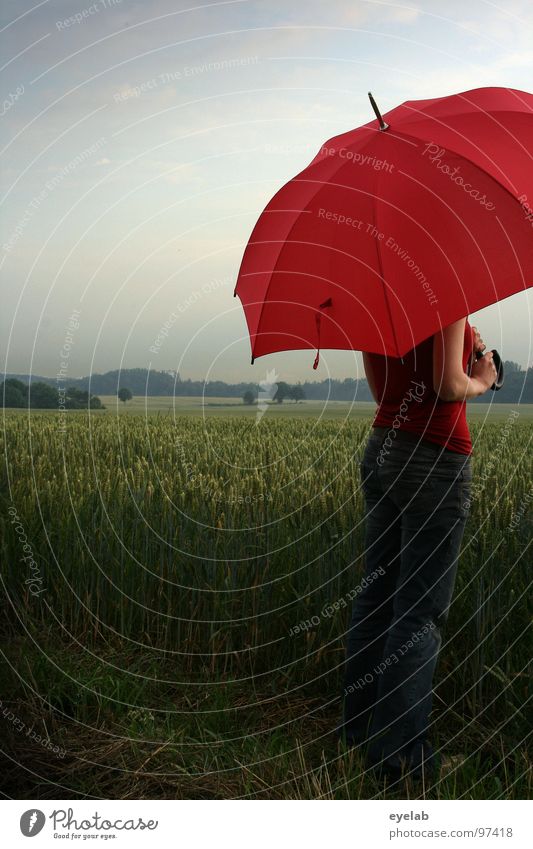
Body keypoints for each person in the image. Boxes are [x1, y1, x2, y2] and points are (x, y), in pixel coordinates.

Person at [339, 317, 497, 782]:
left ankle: (358, 733)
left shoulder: (375, 293)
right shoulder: (446, 290)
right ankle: (401, 756)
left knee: (376, 599)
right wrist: (483, 379)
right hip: (435, 457)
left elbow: (385, 390)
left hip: (384, 449)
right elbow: (446, 385)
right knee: (420, 612)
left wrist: (463, 348)